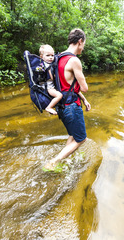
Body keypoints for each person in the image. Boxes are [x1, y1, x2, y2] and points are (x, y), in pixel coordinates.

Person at [43, 28, 91, 171]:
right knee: (81, 138)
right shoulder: (74, 60)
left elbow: (66, 87)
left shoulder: (57, 58)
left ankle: (64, 160)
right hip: (72, 107)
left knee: (72, 135)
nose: (83, 48)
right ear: (80, 41)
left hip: (62, 106)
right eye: (84, 44)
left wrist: (84, 100)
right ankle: (53, 162)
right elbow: (84, 87)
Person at [39, 44, 63, 115]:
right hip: (48, 87)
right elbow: (51, 77)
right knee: (59, 95)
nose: (51, 57)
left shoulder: (45, 64)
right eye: (48, 55)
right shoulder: (45, 66)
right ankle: (49, 107)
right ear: (41, 56)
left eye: (52, 55)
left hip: (49, 85)